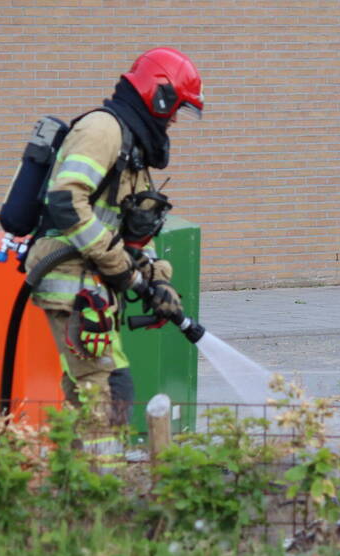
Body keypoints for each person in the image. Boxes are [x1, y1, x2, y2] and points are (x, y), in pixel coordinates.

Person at [24, 47, 203, 456]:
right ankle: (101, 480)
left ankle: (75, 477)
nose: (175, 119)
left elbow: (134, 229)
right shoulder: (102, 131)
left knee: (98, 389)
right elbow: (66, 200)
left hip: (94, 287)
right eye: (176, 107)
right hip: (71, 283)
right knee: (104, 392)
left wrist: (157, 278)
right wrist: (118, 264)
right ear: (159, 95)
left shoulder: (132, 145)